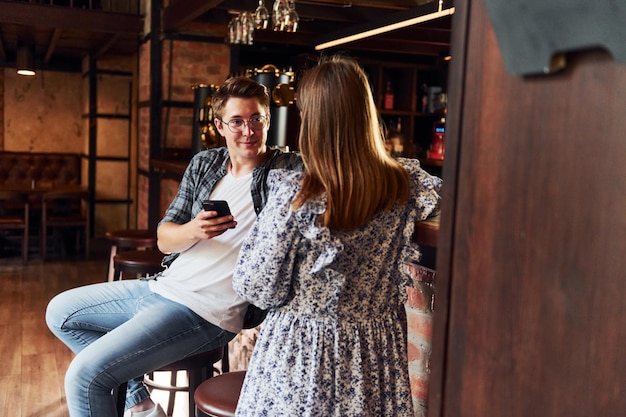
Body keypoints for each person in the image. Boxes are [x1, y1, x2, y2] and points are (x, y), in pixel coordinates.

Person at [45, 76, 302, 417]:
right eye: (237, 121)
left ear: (268, 121)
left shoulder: (288, 170)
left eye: (257, 119)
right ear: (219, 126)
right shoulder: (205, 164)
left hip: (206, 310)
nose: (248, 130)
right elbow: (165, 238)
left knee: (85, 376)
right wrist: (194, 230)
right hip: (162, 287)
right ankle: (141, 405)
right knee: (60, 312)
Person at [232, 55, 442, 416]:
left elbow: (256, 286)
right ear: (366, 114)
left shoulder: (297, 195)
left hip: (303, 358)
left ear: (313, 121)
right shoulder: (405, 183)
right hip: (376, 357)